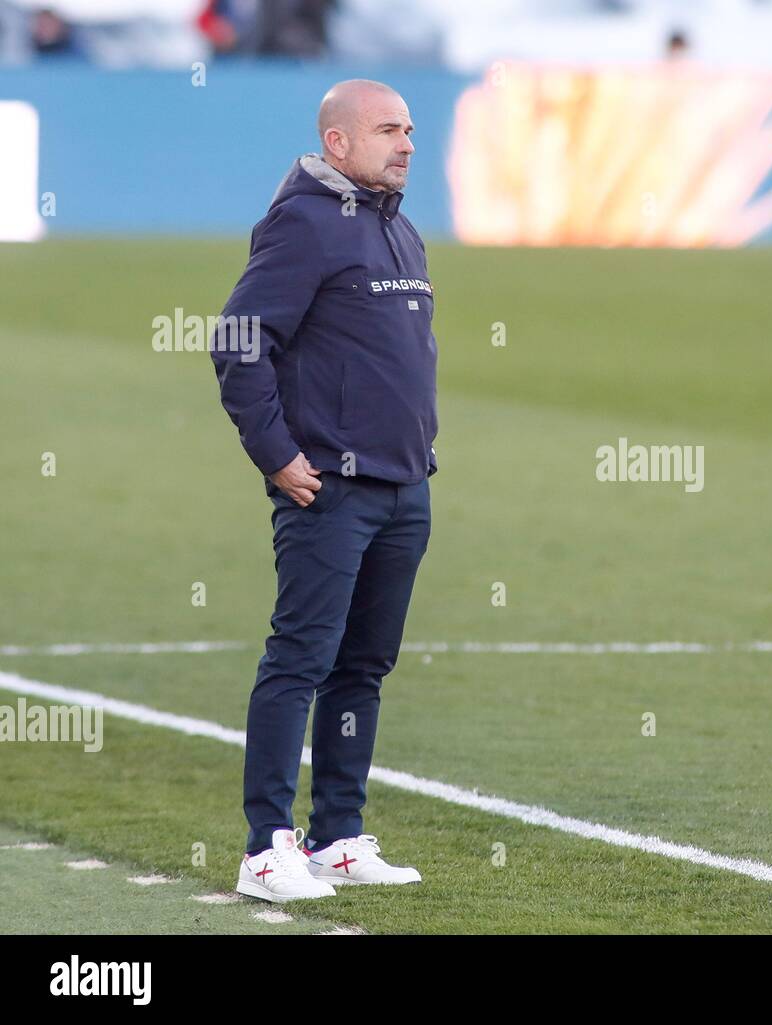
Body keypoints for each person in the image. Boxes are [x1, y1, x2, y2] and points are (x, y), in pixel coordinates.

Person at [210, 79, 437, 903]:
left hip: (404, 487)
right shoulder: (304, 222)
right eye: (387, 130)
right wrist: (276, 454)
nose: (407, 143)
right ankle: (265, 847)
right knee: (300, 658)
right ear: (337, 143)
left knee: (363, 668)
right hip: (328, 490)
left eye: (410, 129)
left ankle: (337, 835)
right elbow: (239, 340)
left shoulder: (399, 228)